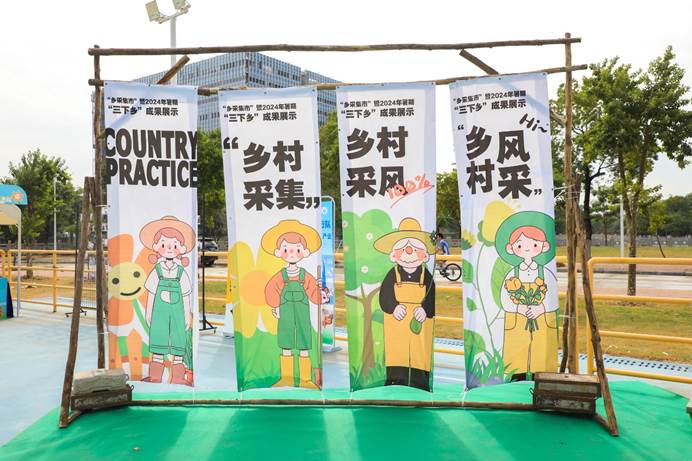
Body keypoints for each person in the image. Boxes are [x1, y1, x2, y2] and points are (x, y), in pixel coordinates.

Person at [375, 218, 436, 391]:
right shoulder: (392, 275)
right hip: (397, 321)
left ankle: (419, 381)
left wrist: (425, 310)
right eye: (404, 250)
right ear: (394, 255)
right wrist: (393, 307)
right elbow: (384, 295)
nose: (409, 254)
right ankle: (394, 379)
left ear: (424, 255)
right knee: (396, 350)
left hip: (419, 320)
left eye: (415, 250)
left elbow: (431, 296)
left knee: (419, 351)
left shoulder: (427, 276)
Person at [496, 213, 559, 378]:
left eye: (534, 244)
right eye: (520, 244)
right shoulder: (512, 273)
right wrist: (519, 308)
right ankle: (517, 379)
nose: (526, 248)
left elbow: (553, 296)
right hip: (517, 320)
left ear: (543, 246)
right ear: (511, 248)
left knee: (541, 353)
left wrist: (542, 308)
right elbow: (504, 298)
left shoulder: (546, 272)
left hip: (542, 319)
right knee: (517, 356)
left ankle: (541, 379)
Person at [263, 219, 322, 389]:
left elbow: (314, 294)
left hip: (302, 312)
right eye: (286, 249)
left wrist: (319, 291)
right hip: (285, 311)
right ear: (279, 252)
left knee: (304, 339)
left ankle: (305, 380)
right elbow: (271, 289)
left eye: (297, 249)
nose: (291, 253)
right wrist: (276, 306)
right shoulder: (281, 275)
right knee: (286, 339)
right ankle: (286, 378)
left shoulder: (305, 275)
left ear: (304, 252)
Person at [139, 216, 195, 385]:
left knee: (178, 339)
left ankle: (178, 377)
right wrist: (149, 312)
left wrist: (187, 314)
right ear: (156, 247)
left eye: (175, 245)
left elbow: (185, 295)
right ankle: (155, 376)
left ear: (181, 248)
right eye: (164, 244)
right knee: (158, 338)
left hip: (178, 312)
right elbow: (151, 292)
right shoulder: (157, 270)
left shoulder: (181, 272)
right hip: (159, 312)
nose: (170, 248)